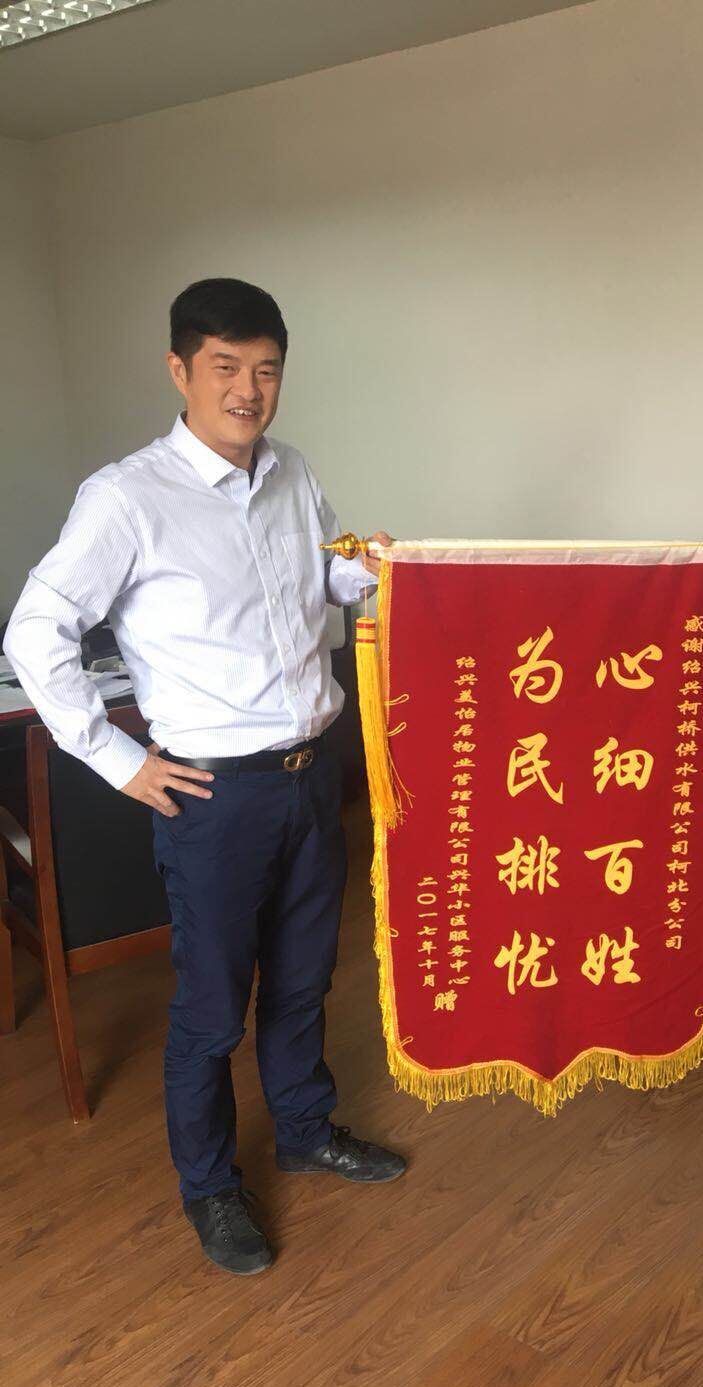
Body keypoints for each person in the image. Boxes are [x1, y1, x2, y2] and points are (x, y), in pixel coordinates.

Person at [4, 277, 406, 1274]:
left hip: (312, 775)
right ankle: (212, 1186)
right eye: (226, 367)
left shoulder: (292, 472)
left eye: (266, 370)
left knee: (304, 980)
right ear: (180, 371)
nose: (248, 390)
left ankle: (304, 1130)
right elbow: (37, 630)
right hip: (214, 796)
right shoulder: (127, 498)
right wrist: (118, 759)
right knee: (213, 1009)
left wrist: (374, 568)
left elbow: (325, 577)